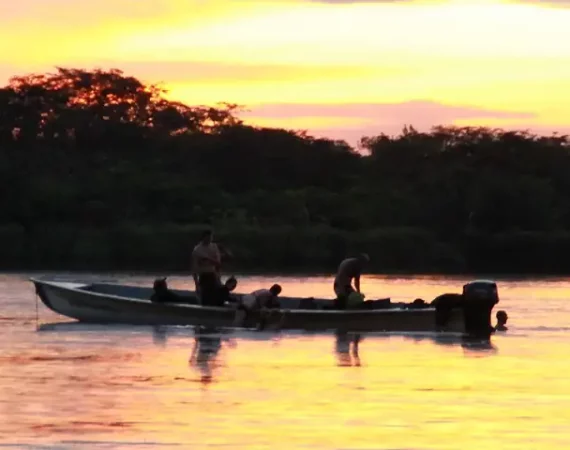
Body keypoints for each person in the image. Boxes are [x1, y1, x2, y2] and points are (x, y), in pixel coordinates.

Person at [191, 229, 231, 306]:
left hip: (214, 275)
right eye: (207, 237)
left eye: (211, 237)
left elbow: (218, 264)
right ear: (203, 238)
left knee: (218, 296)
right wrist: (196, 284)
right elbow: (194, 268)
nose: (209, 239)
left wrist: (218, 277)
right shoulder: (197, 250)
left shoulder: (214, 247)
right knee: (206, 299)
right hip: (204, 276)